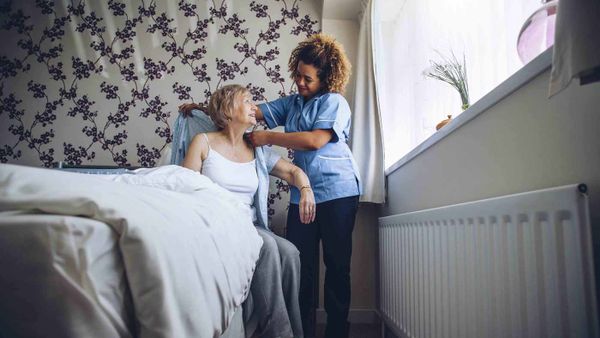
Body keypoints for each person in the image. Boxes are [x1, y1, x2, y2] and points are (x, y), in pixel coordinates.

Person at [181, 33, 361, 338]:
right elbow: (244, 111)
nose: (300, 83)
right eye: (298, 76)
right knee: (299, 265)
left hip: (338, 191)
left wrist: (269, 138)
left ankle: (336, 333)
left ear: (325, 78)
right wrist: (203, 108)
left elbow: (315, 140)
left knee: (336, 265)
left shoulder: (334, 102)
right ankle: (299, 329)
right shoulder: (291, 104)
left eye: (308, 78)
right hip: (301, 195)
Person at [181, 84, 314, 338]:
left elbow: (292, 172)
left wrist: (306, 188)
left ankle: (296, 331)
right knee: (268, 246)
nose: (255, 107)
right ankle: (279, 332)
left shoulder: (257, 148)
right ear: (228, 110)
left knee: (291, 253)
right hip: (217, 225)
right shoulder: (203, 142)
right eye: (247, 101)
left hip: (250, 225)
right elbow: (185, 188)